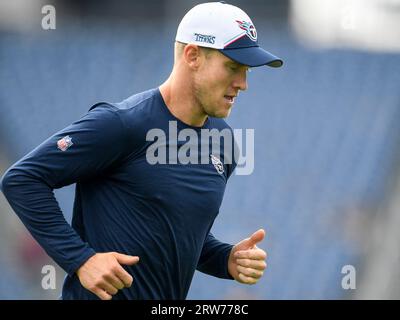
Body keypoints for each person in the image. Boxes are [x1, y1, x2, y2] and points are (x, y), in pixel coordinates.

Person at [0, 2, 282, 300]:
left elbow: (180, 239)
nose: (243, 84)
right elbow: (22, 179)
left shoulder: (223, 144)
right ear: (193, 56)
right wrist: (81, 260)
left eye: (247, 71)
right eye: (233, 67)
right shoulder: (123, 124)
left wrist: (225, 259)